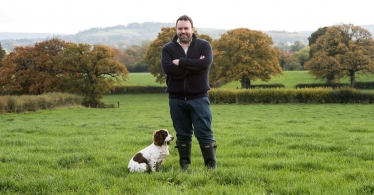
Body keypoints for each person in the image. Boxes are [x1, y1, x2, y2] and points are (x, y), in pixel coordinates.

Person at [161, 15, 216, 170]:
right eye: (180, 28)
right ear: (176, 30)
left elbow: (205, 64)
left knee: (204, 132)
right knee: (182, 134)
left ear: (192, 29)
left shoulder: (204, 45)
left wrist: (181, 63)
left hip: (199, 97)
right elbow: (169, 69)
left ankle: (211, 168)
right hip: (176, 99)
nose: (183, 31)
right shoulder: (168, 48)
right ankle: (184, 167)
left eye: (186, 28)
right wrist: (194, 67)